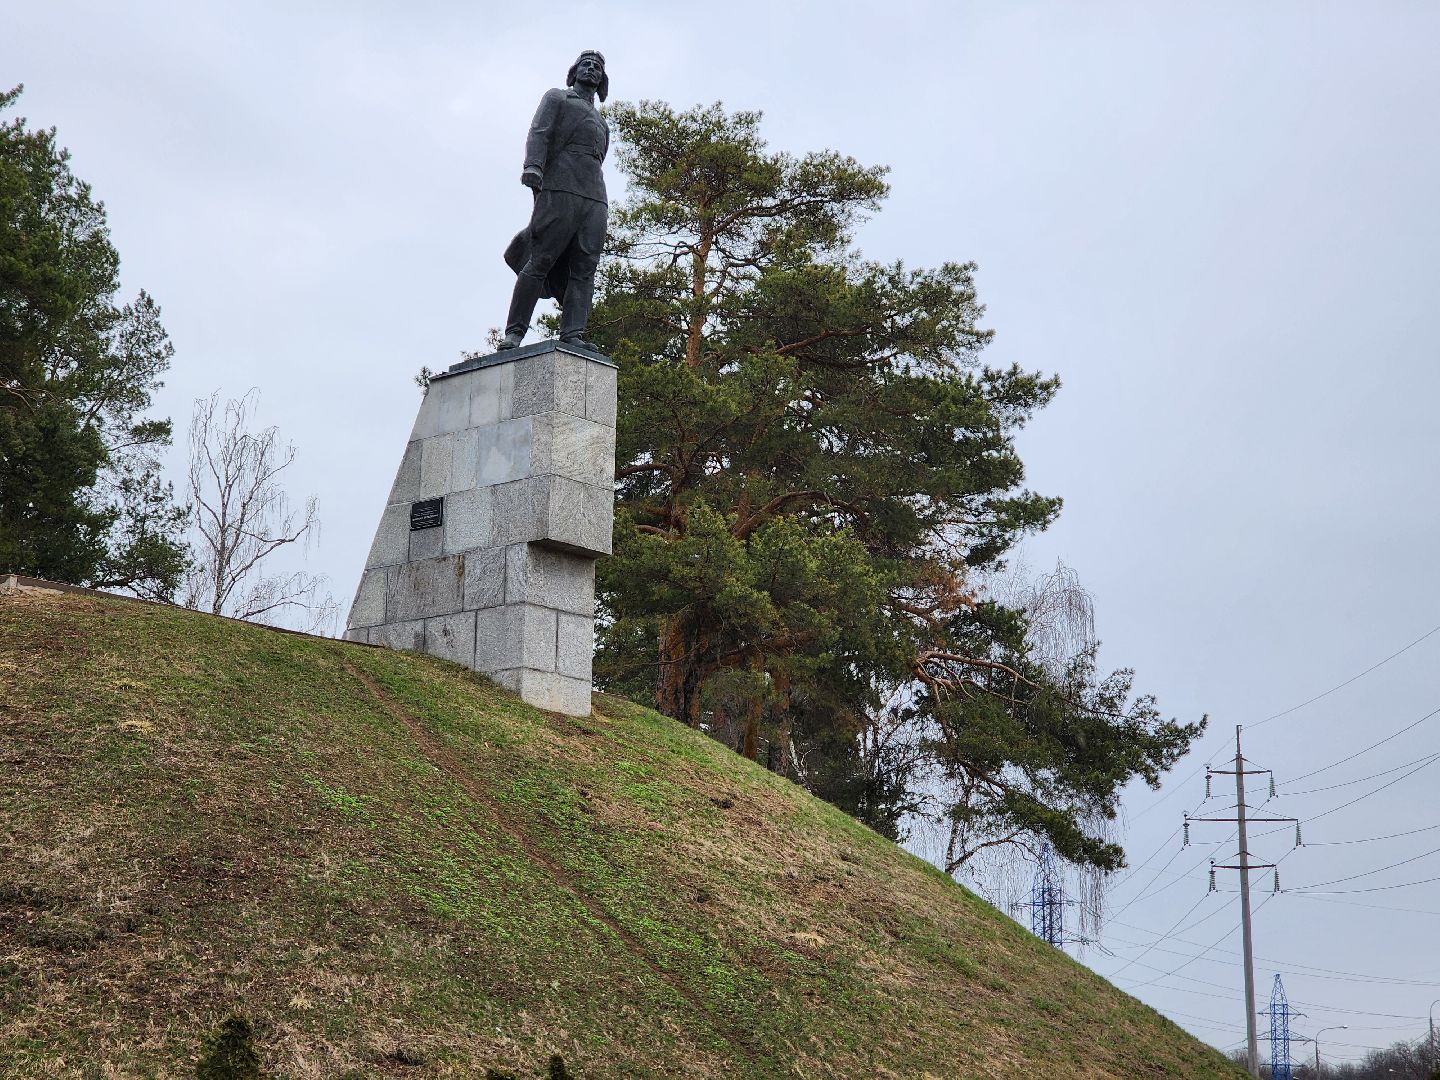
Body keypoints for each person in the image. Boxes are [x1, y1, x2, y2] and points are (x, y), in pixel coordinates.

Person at [498, 50, 610, 350]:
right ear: (574, 72)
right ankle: (514, 332)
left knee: (585, 266)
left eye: (598, 67)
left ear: (603, 80)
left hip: (595, 195)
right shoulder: (557, 98)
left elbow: (599, 159)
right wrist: (532, 166)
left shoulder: (602, 123)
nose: (592, 69)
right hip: (560, 187)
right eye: (586, 65)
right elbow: (539, 132)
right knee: (542, 258)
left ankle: (573, 333)